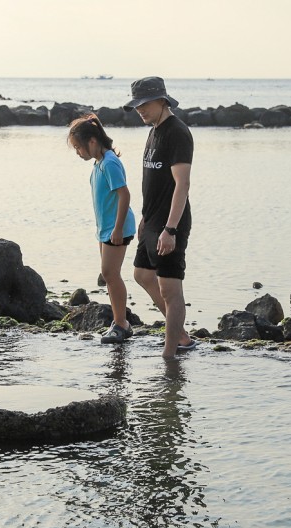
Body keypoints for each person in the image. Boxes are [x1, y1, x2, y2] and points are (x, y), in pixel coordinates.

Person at [123, 76, 195, 359]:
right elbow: (153, 181)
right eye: (136, 105)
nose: (140, 110)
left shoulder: (177, 132)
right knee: (141, 274)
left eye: (145, 104)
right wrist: (144, 219)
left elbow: (182, 184)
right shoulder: (154, 130)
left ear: (162, 100)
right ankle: (181, 335)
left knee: (170, 289)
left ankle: (171, 353)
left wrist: (171, 229)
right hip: (152, 221)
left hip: (170, 224)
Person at [68, 114, 138, 344]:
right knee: (108, 275)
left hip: (116, 227)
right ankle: (119, 322)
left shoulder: (109, 163)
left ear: (92, 141)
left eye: (78, 147)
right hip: (105, 228)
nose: (77, 153)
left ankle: (121, 324)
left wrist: (117, 229)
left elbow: (124, 195)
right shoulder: (99, 162)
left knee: (110, 274)